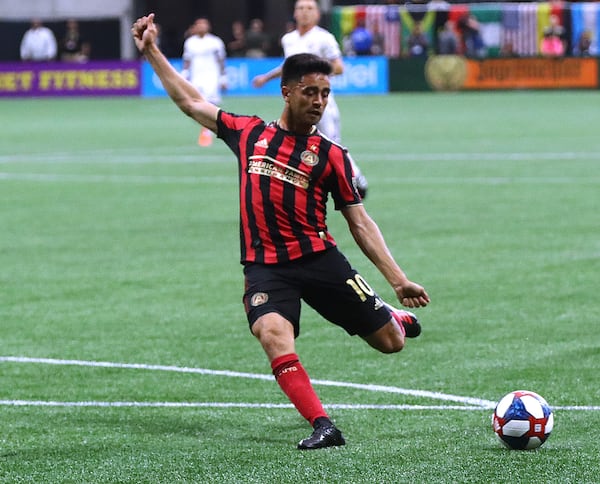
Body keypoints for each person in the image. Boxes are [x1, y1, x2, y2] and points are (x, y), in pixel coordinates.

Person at [132, 13, 430, 451]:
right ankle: (323, 425)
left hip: (320, 260)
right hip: (266, 268)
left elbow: (359, 222)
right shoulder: (249, 133)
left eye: (325, 94)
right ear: (286, 91)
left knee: (391, 343)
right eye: (310, 92)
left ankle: (391, 314)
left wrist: (399, 279)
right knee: (273, 335)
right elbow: (192, 102)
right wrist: (153, 51)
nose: (319, 101)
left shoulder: (331, 156)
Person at [252, 0, 369, 198]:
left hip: (320, 101)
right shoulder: (289, 39)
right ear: (295, 13)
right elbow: (288, 67)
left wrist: (313, 73)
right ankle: (299, 184)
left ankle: (355, 177)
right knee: (295, 140)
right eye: (300, 8)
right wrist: (266, 78)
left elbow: (339, 67)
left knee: (332, 143)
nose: (304, 12)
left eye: (309, 8)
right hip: (296, 103)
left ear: (317, 14)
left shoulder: (324, 38)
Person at [182, 17, 227, 147]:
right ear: (195, 27)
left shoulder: (215, 42)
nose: (202, 27)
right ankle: (206, 125)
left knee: (211, 102)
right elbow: (187, 59)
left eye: (204, 24)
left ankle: (207, 130)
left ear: (208, 27)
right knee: (197, 102)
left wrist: (223, 77)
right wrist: (185, 73)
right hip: (196, 76)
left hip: (212, 75)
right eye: (199, 24)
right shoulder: (190, 42)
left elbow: (221, 60)